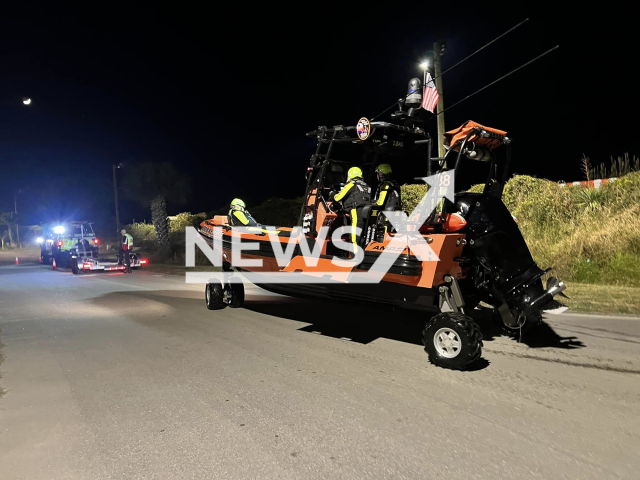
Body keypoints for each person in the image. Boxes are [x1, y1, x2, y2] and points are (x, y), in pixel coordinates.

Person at [331, 166, 371, 253]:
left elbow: (338, 198)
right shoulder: (366, 186)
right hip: (366, 213)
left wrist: (332, 194)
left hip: (356, 211)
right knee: (363, 235)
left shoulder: (351, 184)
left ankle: (354, 258)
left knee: (354, 236)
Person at [373, 163, 402, 235]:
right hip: (395, 214)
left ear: (381, 174)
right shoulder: (394, 184)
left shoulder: (385, 185)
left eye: (378, 173)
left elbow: (380, 203)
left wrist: (371, 203)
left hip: (386, 216)